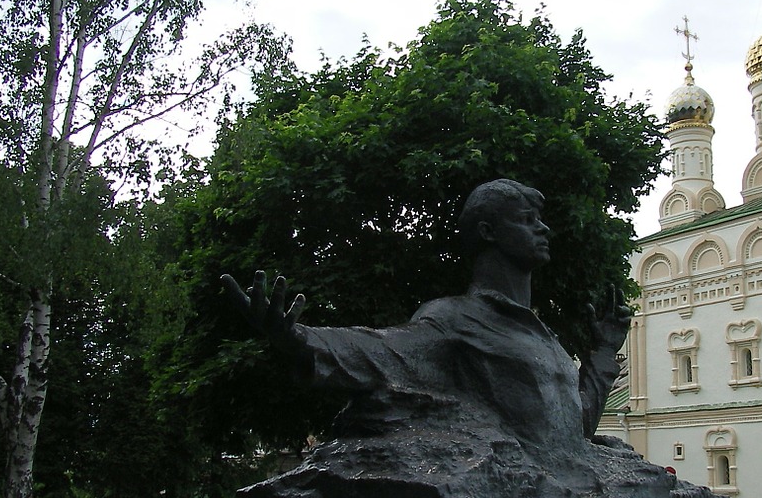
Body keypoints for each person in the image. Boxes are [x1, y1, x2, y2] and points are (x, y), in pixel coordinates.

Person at [222, 179, 631, 461]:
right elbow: (380, 348)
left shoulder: (545, 339)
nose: (543, 229)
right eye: (526, 220)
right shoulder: (455, 320)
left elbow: (571, 432)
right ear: (489, 232)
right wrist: (299, 338)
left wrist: (602, 354)